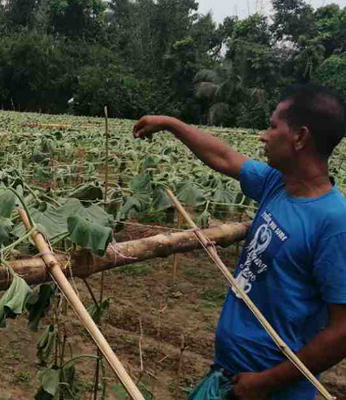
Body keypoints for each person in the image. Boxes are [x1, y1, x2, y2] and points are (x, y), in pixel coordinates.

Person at [132, 84, 346, 400]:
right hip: (228, 377)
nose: (263, 135)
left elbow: (342, 333)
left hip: (270, 392)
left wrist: (265, 383)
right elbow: (224, 156)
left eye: (273, 126)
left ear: (300, 137)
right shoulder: (278, 184)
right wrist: (171, 124)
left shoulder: (334, 223)